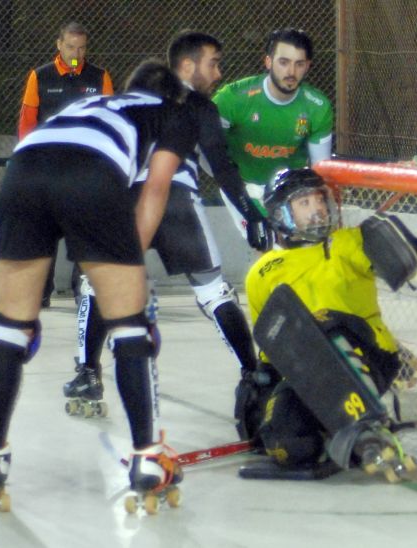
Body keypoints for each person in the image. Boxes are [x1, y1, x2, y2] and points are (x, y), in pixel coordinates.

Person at [0, 60, 193, 510]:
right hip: (91, 174)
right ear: (172, 95)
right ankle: (148, 460)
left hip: (23, 171)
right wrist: (130, 269)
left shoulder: (91, 102)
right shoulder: (173, 113)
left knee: (10, 331)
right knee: (131, 329)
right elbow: (155, 189)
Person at [62, 31, 269, 433]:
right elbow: (222, 168)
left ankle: (88, 373)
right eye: (213, 63)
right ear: (187, 66)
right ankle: (253, 373)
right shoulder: (198, 107)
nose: (218, 73)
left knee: (99, 284)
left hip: (124, 201)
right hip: (175, 200)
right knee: (213, 290)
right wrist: (251, 213)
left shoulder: (131, 101)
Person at [237, 168, 417, 481]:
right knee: (288, 447)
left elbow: (379, 257)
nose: (316, 208)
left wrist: (399, 249)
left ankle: (370, 426)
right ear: (280, 214)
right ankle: (344, 435)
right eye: (304, 203)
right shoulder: (260, 274)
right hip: (308, 372)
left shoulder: (348, 243)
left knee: (322, 322)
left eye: (319, 199)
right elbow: (273, 342)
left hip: (371, 355)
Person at [18, 21, 115, 307]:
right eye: (71, 47)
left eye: (82, 48)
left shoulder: (99, 76)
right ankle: (41, 292)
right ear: (58, 45)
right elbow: (27, 123)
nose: (77, 53)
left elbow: (110, 121)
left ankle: (82, 291)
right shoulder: (39, 76)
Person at [212, 28, 334, 240]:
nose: (291, 72)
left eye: (299, 64)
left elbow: (320, 167)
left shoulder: (318, 106)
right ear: (268, 62)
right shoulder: (232, 99)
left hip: (291, 189)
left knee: (306, 242)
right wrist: (229, 182)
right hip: (243, 186)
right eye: (283, 62)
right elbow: (207, 148)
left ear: (308, 66)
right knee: (266, 242)